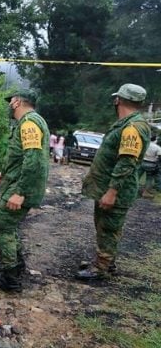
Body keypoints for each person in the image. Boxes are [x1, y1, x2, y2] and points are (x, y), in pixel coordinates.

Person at [76, 83, 151, 281]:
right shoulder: (127, 123)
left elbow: (126, 161)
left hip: (114, 190)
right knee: (105, 226)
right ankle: (106, 262)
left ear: (118, 100)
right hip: (108, 188)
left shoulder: (132, 128)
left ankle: (101, 269)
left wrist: (112, 192)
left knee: (108, 228)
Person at [0, 88, 50, 292]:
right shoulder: (31, 122)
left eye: (10, 102)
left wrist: (20, 192)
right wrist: (4, 174)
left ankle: (10, 279)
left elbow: (33, 161)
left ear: (16, 102)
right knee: (10, 226)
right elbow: (23, 158)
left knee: (2, 228)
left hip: (20, 189)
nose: (9, 106)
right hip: (17, 184)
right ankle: (16, 265)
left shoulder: (29, 123)